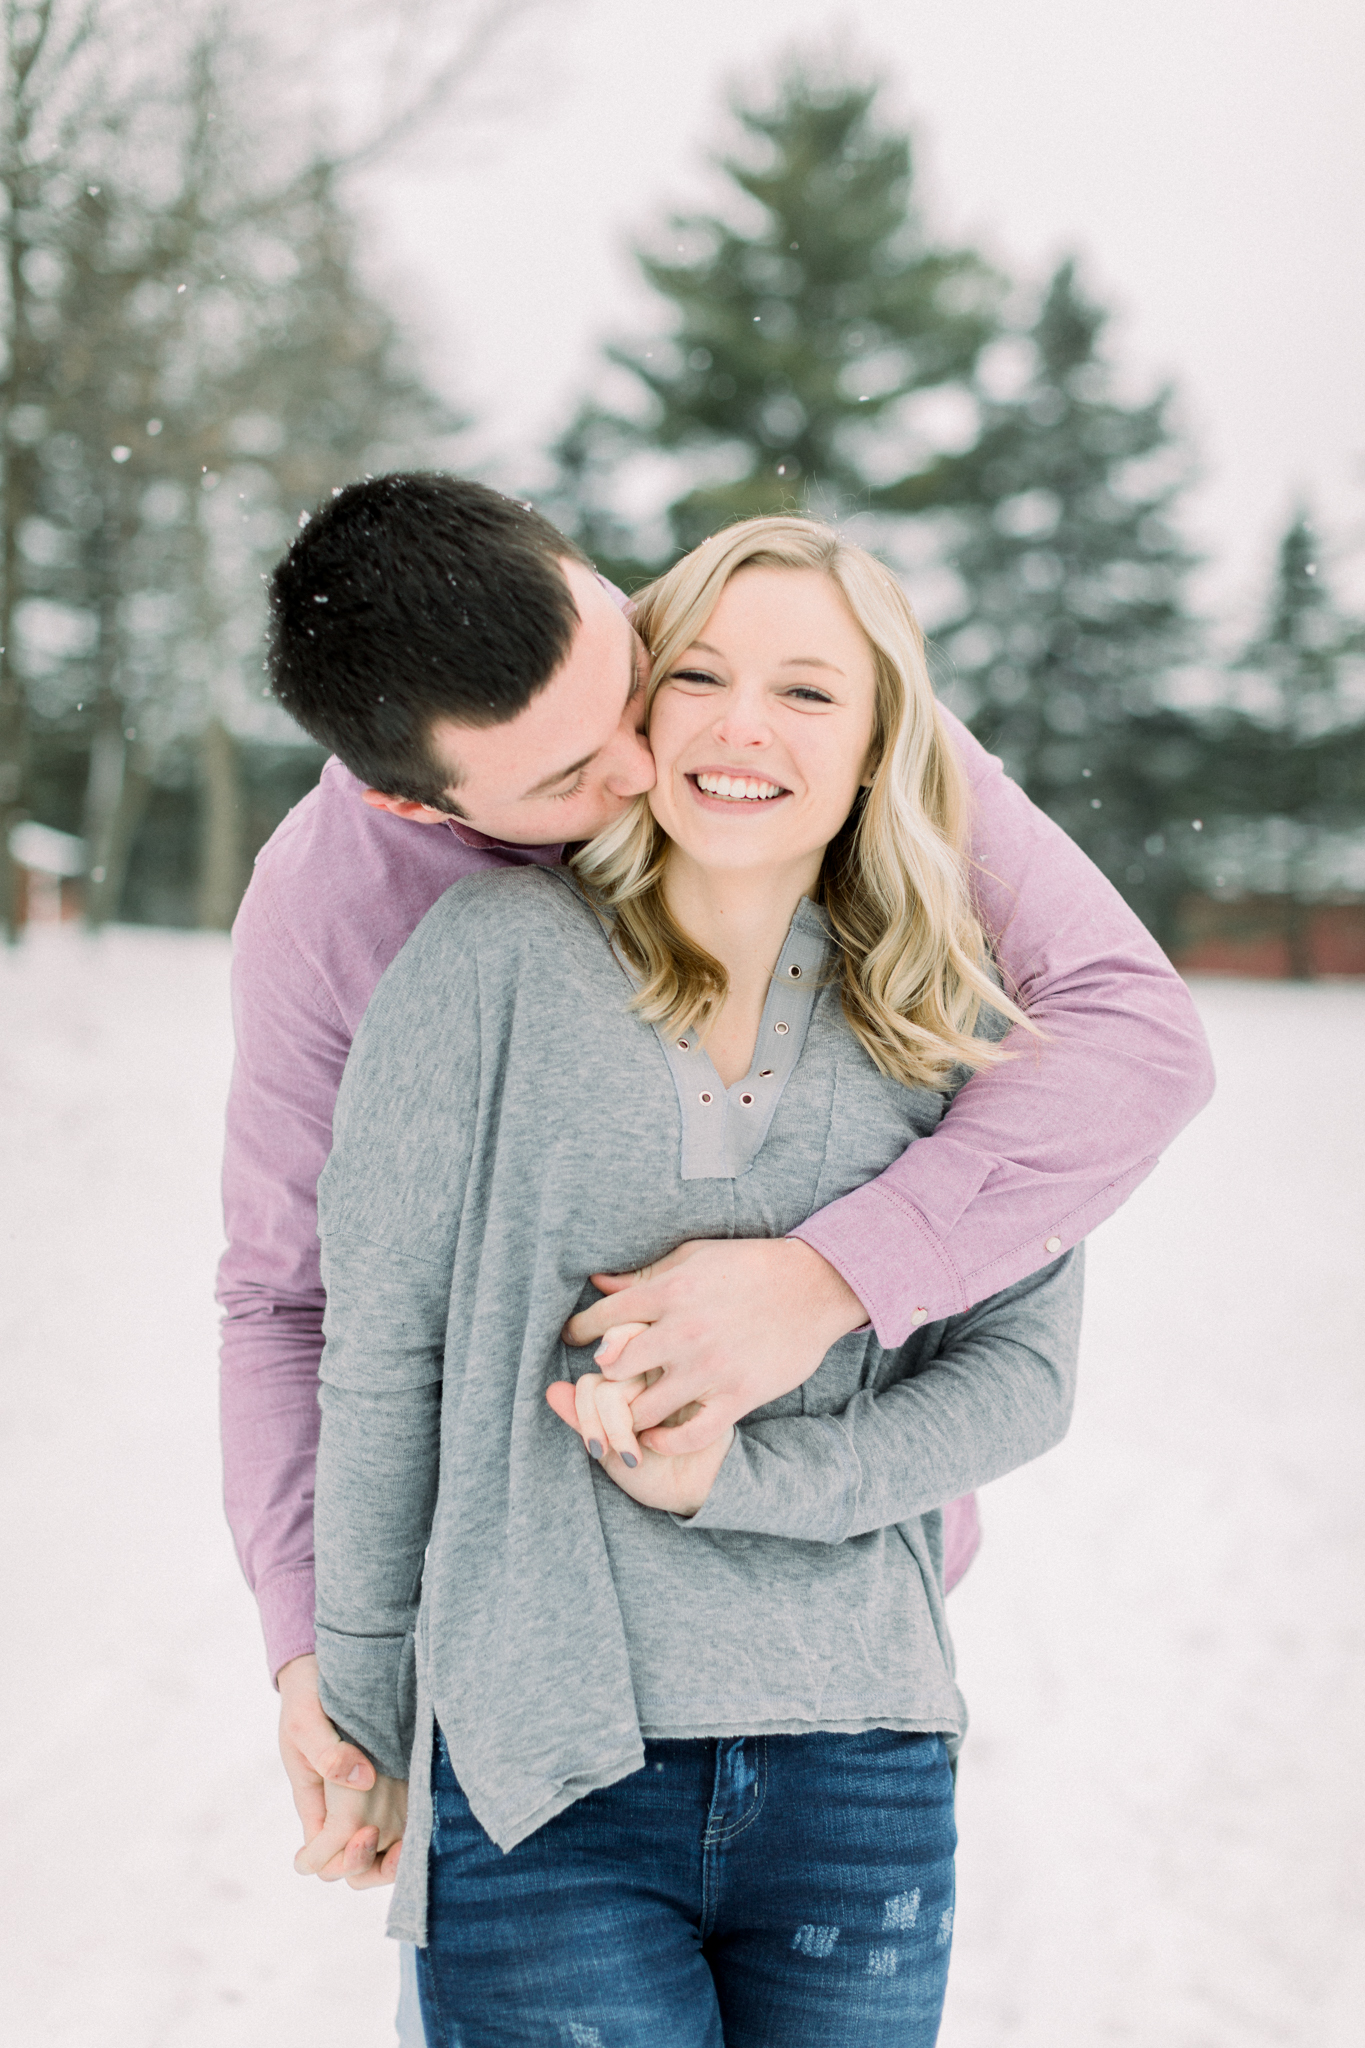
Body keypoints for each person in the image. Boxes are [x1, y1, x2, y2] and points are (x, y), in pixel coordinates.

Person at [220, 475, 1211, 2031]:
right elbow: (308, 1303)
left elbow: (1132, 1045)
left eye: (631, 674)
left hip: (847, 1689)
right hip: (540, 1715)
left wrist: (824, 1284)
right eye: (570, 770)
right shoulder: (372, 922)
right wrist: (332, 1671)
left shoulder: (793, 743)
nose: (657, 757)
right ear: (428, 804)